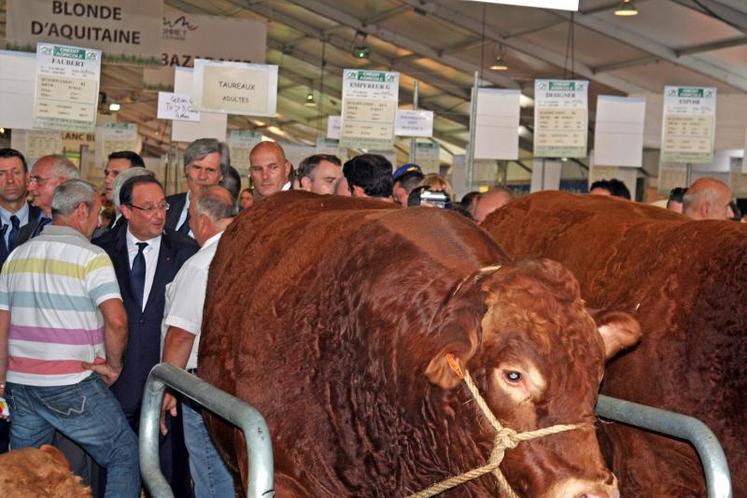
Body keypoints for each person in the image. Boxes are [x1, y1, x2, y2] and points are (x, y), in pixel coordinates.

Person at [0, 179, 139, 498]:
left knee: (24, 472)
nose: (99, 220)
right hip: (71, 382)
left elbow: (2, 322)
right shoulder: (92, 257)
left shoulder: (17, 256)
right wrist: (114, 366)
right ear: (80, 210)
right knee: (124, 454)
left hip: (21, 383)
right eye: (97, 212)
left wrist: (2, 378)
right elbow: (116, 321)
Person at [93, 175, 197, 495]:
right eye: (148, 207)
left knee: (166, 478)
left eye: (163, 205)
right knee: (111, 474)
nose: (159, 214)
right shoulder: (99, 251)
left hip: (163, 387)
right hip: (113, 385)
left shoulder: (185, 252)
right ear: (125, 210)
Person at [160, 186, 235, 498]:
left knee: (210, 474)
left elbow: (181, 335)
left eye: (190, 218)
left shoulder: (200, 265)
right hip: (238, 387)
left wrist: (165, 385)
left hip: (202, 388)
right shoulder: (248, 255)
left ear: (203, 221)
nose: (189, 226)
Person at [165, 138, 230, 234]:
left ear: (221, 175)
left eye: (210, 170)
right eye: (197, 167)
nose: (202, 176)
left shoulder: (228, 216)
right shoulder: (166, 206)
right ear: (186, 169)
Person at [16, 155, 79, 245]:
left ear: (62, 184)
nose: (30, 187)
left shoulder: (84, 226)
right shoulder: (24, 225)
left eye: (38, 180)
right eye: (31, 180)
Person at [0, 149, 41, 269]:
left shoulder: (45, 221)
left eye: (16, 172)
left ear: (27, 178)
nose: (10, 180)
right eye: (1, 174)